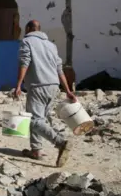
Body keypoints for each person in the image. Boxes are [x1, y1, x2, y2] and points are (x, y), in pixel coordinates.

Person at [15, 20, 76, 167]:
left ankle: (61, 142)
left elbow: (25, 63)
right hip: (54, 87)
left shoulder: (27, 41)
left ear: (29, 28)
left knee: (35, 121)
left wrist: (18, 85)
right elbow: (59, 69)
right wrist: (67, 90)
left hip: (38, 86)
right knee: (40, 118)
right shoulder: (51, 45)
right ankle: (36, 150)